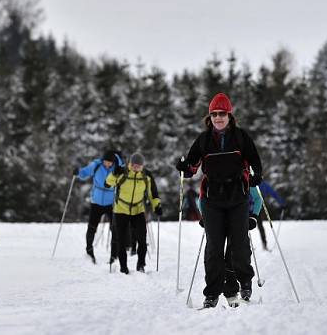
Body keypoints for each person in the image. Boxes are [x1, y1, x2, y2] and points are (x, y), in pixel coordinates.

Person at [175, 92, 262, 308]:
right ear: (210, 117)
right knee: (214, 248)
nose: (217, 117)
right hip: (212, 199)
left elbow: (255, 160)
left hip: (238, 198)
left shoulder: (241, 137)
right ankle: (212, 293)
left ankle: (245, 282)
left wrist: (257, 175)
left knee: (239, 245)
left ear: (229, 115)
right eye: (214, 114)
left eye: (221, 113)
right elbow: (192, 167)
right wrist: (185, 168)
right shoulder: (203, 140)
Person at [105, 152, 161, 274]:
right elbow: (108, 183)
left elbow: (153, 194)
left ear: (142, 166)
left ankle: (141, 264)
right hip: (121, 210)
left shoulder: (146, 176)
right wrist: (114, 173)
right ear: (130, 164)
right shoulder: (122, 173)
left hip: (138, 210)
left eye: (139, 166)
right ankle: (123, 267)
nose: (136, 168)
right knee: (121, 240)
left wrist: (156, 206)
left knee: (142, 239)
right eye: (134, 165)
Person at [75, 149, 124, 264]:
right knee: (92, 227)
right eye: (105, 161)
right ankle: (89, 251)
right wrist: (78, 172)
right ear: (102, 160)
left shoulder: (117, 168)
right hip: (96, 202)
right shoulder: (96, 165)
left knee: (115, 229)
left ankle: (114, 256)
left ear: (113, 162)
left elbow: (125, 175)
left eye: (110, 162)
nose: (107, 164)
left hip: (111, 203)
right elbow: (85, 173)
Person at [254, 180, 286, 250]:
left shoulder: (262, 183)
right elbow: (274, 193)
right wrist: (282, 204)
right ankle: (263, 244)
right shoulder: (262, 183)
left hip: (254, 207)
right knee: (258, 226)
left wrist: (282, 203)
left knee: (256, 225)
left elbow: (273, 193)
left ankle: (264, 244)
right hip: (252, 207)